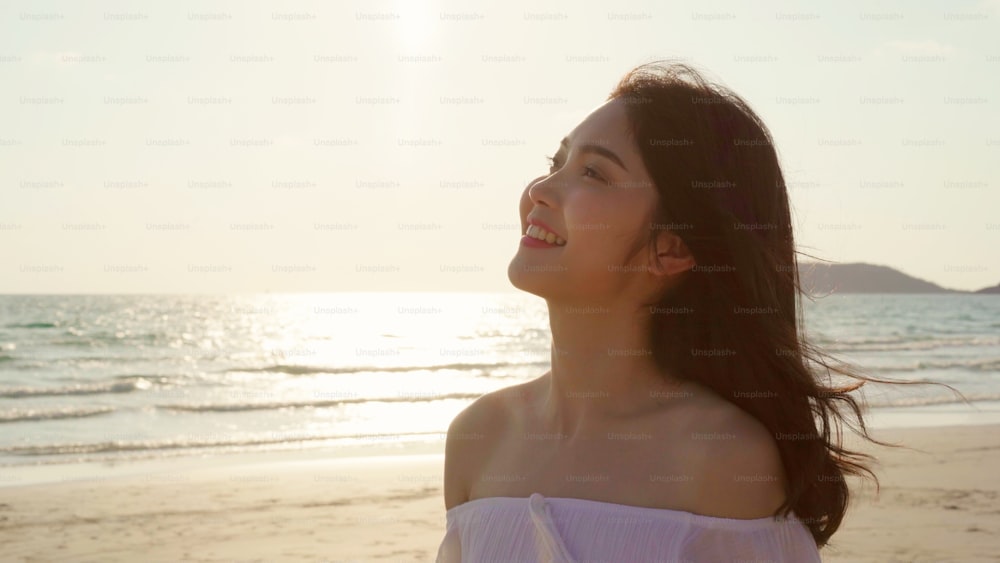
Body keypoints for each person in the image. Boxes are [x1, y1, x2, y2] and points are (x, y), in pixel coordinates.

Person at [436, 60, 881, 562]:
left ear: (670, 248)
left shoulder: (722, 459)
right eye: (555, 161)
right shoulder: (480, 436)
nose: (540, 189)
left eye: (592, 172)